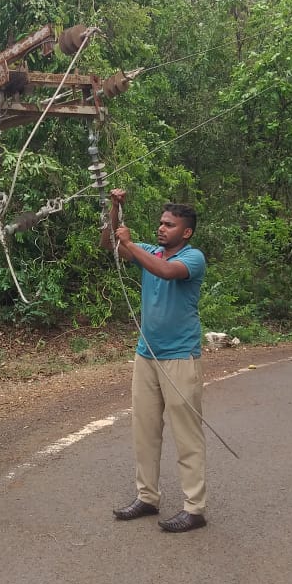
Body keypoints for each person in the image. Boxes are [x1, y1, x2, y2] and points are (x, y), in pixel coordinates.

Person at [101, 188, 208, 532]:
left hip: (180, 357)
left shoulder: (193, 258)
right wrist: (115, 209)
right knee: (144, 432)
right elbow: (109, 244)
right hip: (146, 355)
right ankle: (147, 498)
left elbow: (165, 271)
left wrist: (130, 244)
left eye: (170, 224)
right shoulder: (149, 250)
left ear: (186, 232)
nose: (161, 228)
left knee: (186, 435)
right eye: (160, 223)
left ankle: (195, 508)